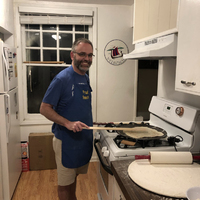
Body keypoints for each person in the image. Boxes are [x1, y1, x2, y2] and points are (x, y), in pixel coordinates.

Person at [40, 38, 94, 200]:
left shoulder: (85, 77)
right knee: (64, 185)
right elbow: (44, 108)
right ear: (72, 55)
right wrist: (68, 123)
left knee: (73, 180)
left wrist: (92, 123)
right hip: (66, 142)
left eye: (90, 55)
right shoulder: (62, 79)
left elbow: (80, 106)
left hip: (82, 139)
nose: (87, 59)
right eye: (82, 54)